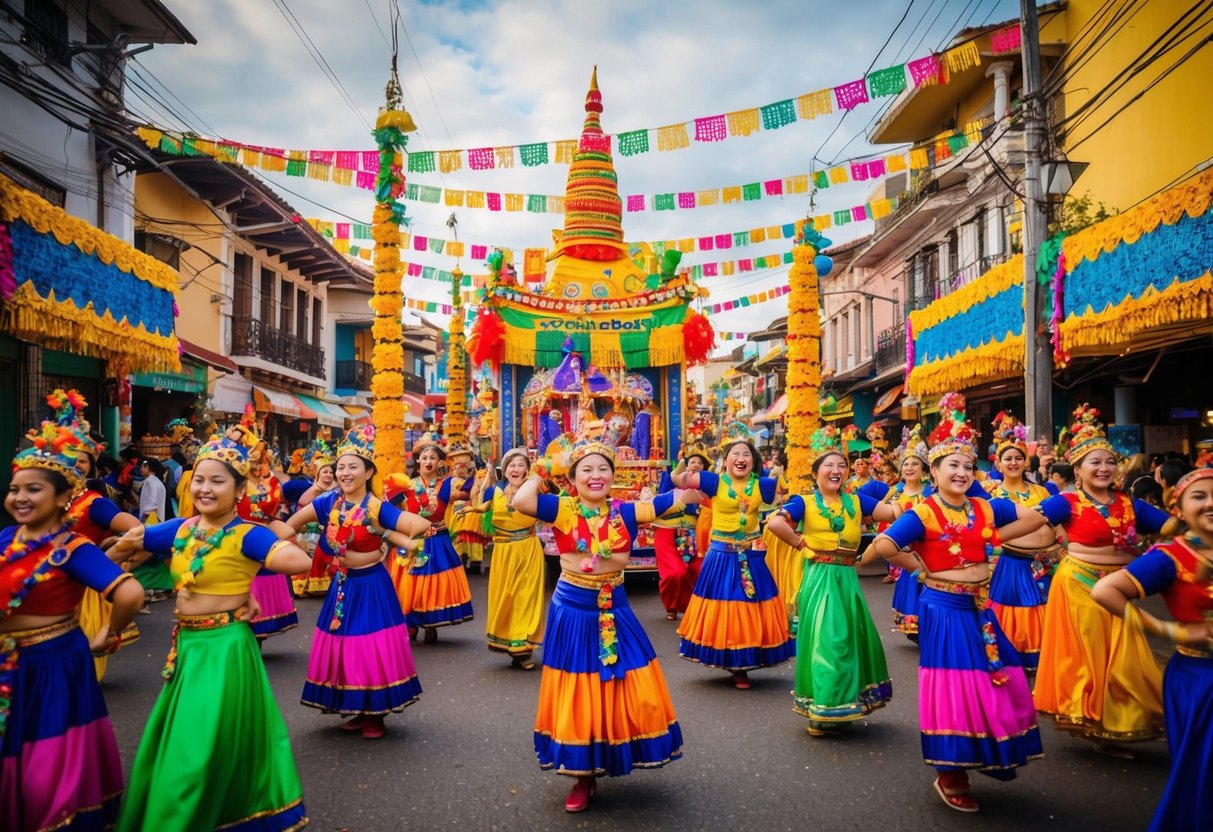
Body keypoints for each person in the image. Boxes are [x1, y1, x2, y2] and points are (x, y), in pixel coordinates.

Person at [109, 435, 312, 831]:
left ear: (239, 490)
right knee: (191, 740)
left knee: (200, 746)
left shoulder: (247, 535)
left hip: (225, 650)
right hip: (186, 648)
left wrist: (272, 552)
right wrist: (112, 561)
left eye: (218, 481)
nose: (205, 488)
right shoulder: (181, 529)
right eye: (199, 479)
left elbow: (298, 561)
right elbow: (126, 546)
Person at [865, 392, 1050, 813]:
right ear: (934, 470)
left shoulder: (985, 509)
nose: (963, 472)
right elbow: (884, 543)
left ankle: (988, 751)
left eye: (969, 466)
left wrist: (997, 539)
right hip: (943, 607)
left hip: (981, 607)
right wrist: (921, 569)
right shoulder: (924, 512)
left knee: (1003, 676)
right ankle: (951, 772)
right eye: (954, 465)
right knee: (956, 686)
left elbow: (1037, 517)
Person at [511, 435, 694, 813]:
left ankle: (616, 749)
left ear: (613, 475)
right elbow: (521, 501)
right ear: (573, 477)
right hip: (574, 607)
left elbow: (673, 501)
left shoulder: (626, 512)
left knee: (629, 681)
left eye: (603, 469)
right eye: (587, 470)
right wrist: (543, 470)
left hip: (616, 606)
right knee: (578, 687)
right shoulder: (562, 509)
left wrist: (691, 484)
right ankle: (583, 774)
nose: (596, 476)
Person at [2, 410, 144, 832]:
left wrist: (110, 632)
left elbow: (130, 592)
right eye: (14, 489)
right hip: (9, 662)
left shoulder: (73, 548)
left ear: (64, 497)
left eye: (33, 489)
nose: (20, 497)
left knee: (46, 755)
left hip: (53, 660)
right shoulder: (6, 540)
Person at [1034, 404, 1170, 756]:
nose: (1104, 468)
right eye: (1095, 462)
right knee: (1094, 656)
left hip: (1121, 586)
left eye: (1110, 461)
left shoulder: (1130, 504)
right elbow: (1030, 525)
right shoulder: (1066, 501)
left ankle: (1123, 721)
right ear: (1077, 470)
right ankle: (1097, 722)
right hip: (1080, 585)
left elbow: (1170, 526)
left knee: (1127, 656)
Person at [285, 423, 431, 739]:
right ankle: (354, 706)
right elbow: (291, 525)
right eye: (340, 467)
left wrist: (384, 535)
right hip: (342, 586)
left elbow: (418, 525)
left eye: (353, 467)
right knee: (343, 646)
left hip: (372, 586)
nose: (345, 473)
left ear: (368, 473)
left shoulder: (376, 506)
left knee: (368, 647)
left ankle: (374, 714)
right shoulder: (327, 503)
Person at [1091, 467, 1213, 831]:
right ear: (1178, 508)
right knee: (1203, 781)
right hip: (1201, 681)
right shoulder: (1171, 556)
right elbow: (1105, 591)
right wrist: (1166, 629)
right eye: (1199, 496)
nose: (1211, 504)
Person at [766, 426, 897, 735]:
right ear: (816, 474)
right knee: (829, 640)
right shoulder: (804, 502)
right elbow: (774, 523)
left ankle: (843, 703)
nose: (836, 470)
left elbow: (893, 512)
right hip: (821, 576)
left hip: (847, 578)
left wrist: (922, 491)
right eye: (829, 465)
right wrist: (802, 546)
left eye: (842, 466)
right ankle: (824, 707)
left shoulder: (856, 501)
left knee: (851, 639)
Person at [670, 422, 794, 690]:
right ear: (725, 461)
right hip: (720, 555)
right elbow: (677, 480)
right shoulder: (712, 480)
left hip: (751, 555)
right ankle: (731, 660)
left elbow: (790, 496)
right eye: (735, 454)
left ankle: (743, 661)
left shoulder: (765, 485)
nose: (741, 458)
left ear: (754, 461)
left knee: (749, 607)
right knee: (724, 606)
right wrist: (684, 462)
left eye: (747, 454)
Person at [982, 412, 1062, 674]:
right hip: (1011, 563)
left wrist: (1065, 551)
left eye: (1018, 457)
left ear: (1026, 462)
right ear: (999, 464)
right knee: (1016, 609)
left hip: (1046, 562)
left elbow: (1057, 524)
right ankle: (1014, 658)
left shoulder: (1043, 491)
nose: (1014, 462)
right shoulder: (991, 494)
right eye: (1008, 458)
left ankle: (1048, 656)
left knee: (1045, 607)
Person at [389, 435, 475, 642]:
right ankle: (410, 623)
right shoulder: (405, 484)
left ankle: (430, 622)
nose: (428, 461)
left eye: (432, 458)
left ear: (440, 462)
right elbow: (389, 510)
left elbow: (469, 493)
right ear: (417, 461)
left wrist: (473, 470)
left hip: (438, 540)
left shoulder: (448, 484)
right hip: (412, 540)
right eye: (424, 457)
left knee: (431, 584)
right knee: (409, 583)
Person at [469, 448, 545, 668]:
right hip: (503, 551)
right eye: (512, 465)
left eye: (521, 465)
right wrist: (473, 506)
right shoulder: (496, 491)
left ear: (527, 470)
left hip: (527, 549)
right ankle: (507, 641)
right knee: (506, 597)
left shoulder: (536, 491)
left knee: (526, 596)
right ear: (506, 469)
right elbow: (483, 507)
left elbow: (553, 505)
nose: (516, 469)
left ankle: (523, 648)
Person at [233, 421, 298, 642]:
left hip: (260, 532)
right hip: (232, 534)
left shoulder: (269, 482)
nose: (256, 461)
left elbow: (271, 509)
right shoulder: (231, 480)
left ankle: (255, 633)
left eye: (259, 457)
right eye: (251, 456)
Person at [883, 425, 931, 641]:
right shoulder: (895, 493)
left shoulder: (932, 492)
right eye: (906, 465)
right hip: (907, 551)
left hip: (930, 549)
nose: (910, 468)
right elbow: (883, 517)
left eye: (915, 464)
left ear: (924, 470)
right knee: (912, 589)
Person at [652, 447, 711, 620]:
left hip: (692, 536)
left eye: (700, 463)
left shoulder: (707, 492)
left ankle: (691, 607)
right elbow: (654, 509)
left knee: (698, 571)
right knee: (674, 573)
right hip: (666, 534)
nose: (696, 465)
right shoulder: (670, 487)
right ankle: (671, 605)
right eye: (692, 462)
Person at [292, 440, 337, 597]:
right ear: (318, 474)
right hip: (310, 530)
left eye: (331, 472)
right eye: (325, 472)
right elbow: (303, 506)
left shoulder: (334, 489)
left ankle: (322, 584)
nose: (328, 475)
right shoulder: (315, 489)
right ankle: (306, 585)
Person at [138, 457, 167, 522]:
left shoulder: (150, 482)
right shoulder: (158, 482)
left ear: (148, 468)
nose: (141, 470)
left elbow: (153, 504)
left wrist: (144, 518)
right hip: (158, 520)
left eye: (143, 467)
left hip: (150, 520)